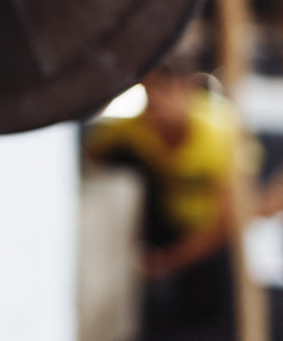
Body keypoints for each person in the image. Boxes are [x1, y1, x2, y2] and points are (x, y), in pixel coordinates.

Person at [85, 54, 250, 341]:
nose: (155, 105)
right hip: (167, 223)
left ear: (185, 89)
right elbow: (92, 156)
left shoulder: (219, 132)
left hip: (208, 240)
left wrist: (168, 263)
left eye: (163, 91)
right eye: (149, 95)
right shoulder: (135, 129)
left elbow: (226, 222)